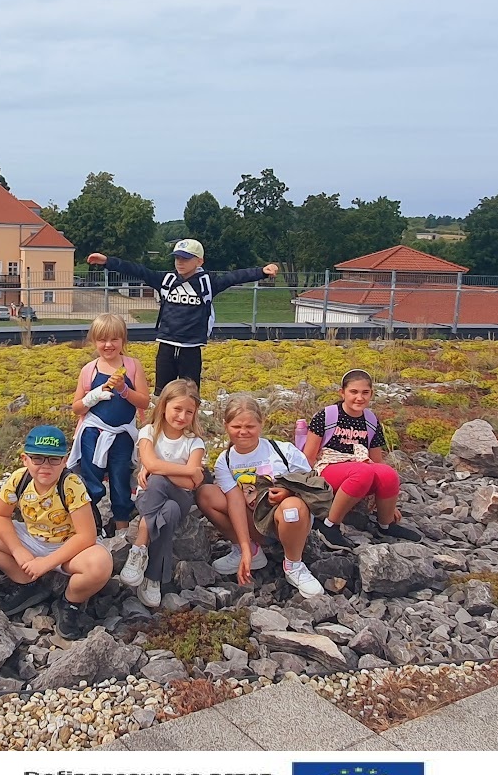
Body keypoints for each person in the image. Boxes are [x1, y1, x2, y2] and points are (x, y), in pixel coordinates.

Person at [0, 426, 112, 640]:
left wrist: (46, 563)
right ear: (25, 459)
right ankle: (28, 583)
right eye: (37, 458)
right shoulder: (19, 479)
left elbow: (86, 536)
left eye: (53, 459)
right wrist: (18, 550)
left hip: (69, 548)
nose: (45, 466)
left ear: (65, 461)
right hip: (32, 540)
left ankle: (70, 602)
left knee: (101, 563)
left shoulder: (71, 485)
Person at [87, 239, 279, 393]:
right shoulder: (166, 280)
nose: (180, 262)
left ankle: (189, 425)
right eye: (177, 258)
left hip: (191, 347)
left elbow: (235, 277)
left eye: (186, 258)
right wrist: (108, 262)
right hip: (166, 344)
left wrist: (262, 272)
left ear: (199, 261)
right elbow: (138, 270)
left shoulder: (208, 283)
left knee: (190, 393)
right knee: (163, 393)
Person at [203, 395, 328, 598]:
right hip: (255, 522)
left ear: (261, 424)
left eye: (250, 426)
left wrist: (288, 491)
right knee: (206, 494)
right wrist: (245, 547)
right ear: (226, 426)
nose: (243, 432)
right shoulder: (225, 460)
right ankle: (252, 552)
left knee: (291, 508)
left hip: (290, 520)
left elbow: (312, 483)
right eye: (236, 426)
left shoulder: (283, 451)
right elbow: (235, 502)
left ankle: (294, 564)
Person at [303, 368, 423, 547]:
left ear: (371, 394)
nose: (359, 397)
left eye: (365, 392)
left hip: (359, 469)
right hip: (328, 468)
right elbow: (308, 456)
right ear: (342, 393)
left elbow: (377, 461)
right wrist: (304, 489)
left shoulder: (371, 421)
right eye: (354, 392)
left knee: (387, 473)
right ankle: (330, 525)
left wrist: (388, 504)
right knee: (363, 471)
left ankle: (385, 524)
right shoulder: (326, 416)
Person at [119, 378, 208, 607]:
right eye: (177, 409)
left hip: (181, 496)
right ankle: (153, 578)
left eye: (189, 412)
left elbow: (190, 485)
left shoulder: (194, 442)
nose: (182, 416)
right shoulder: (149, 432)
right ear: (164, 405)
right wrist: (188, 470)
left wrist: (158, 470)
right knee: (168, 510)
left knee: (158, 479)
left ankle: (140, 546)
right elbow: (185, 474)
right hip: (150, 496)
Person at [68, 313, 149, 533]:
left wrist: (124, 389)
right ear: (94, 341)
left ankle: (121, 526)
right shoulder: (89, 370)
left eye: (114, 339)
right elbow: (77, 407)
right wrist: (93, 396)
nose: (108, 345)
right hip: (93, 432)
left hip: (122, 434)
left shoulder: (132, 366)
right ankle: (89, 524)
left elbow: (144, 401)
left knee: (120, 476)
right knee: (91, 477)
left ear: (123, 340)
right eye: (102, 340)